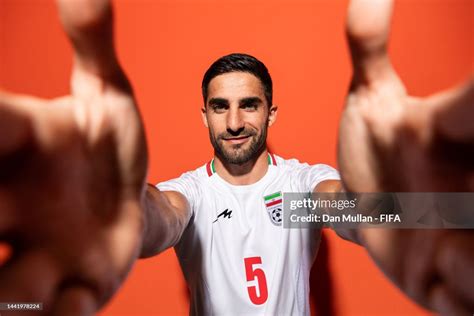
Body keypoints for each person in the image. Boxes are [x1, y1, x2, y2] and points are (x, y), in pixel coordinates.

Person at [0, 0, 472, 315]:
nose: (234, 122)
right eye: (220, 107)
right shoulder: (195, 194)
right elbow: (158, 218)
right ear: (203, 116)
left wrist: (430, 207)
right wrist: (112, 210)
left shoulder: (297, 193)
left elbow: (347, 208)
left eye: (249, 105)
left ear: (271, 113)